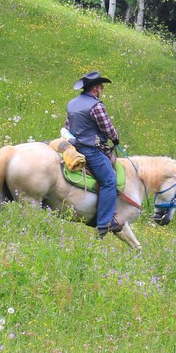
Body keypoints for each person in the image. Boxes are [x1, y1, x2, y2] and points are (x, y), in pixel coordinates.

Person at [64, 71, 123, 237]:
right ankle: (104, 223)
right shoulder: (96, 106)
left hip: (74, 146)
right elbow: (107, 128)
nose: (102, 90)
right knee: (109, 180)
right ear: (95, 89)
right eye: (101, 87)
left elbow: (68, 127)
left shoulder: (72, 104)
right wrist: (115, 139)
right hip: (90, 149)